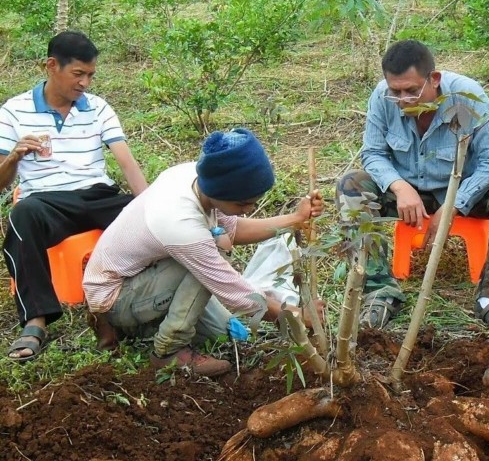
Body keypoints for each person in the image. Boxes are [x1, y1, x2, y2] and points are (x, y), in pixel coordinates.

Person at [83, 128, 324, 378]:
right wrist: (293, 315)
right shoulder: (180, 223)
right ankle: (167, 351)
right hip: (116, 296)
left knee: (222, 331)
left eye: (254, 202)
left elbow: (233, 231)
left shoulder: (200, 177)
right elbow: (232, 291)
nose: (248, 210)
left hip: (144, 276)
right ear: (220, 193)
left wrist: (296, 219)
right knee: (213, 254)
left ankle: (140, 327)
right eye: (243, 204)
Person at [337, 39, 489, 329]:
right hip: (409, 195)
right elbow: (373, 153)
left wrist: (454, 204)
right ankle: (378, 291)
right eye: (396, 92)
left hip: (465, 193)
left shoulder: (468, 97)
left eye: (412, 91)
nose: (403, 99)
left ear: (435, 79)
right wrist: (399, 187)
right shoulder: (382, 98)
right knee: (351, 184)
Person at [0, 31, 147, 362]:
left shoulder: (97, 108)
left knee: (147, 222)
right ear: (52, 66)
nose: (85, 83)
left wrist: (152, 207)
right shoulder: (13, 111)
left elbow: (126, 162)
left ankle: (124, 309)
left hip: (96, 194)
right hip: (47, 200)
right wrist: (14, 157)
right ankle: (35, 321)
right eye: (78, 74)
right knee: (22, 216)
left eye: (91, 75)